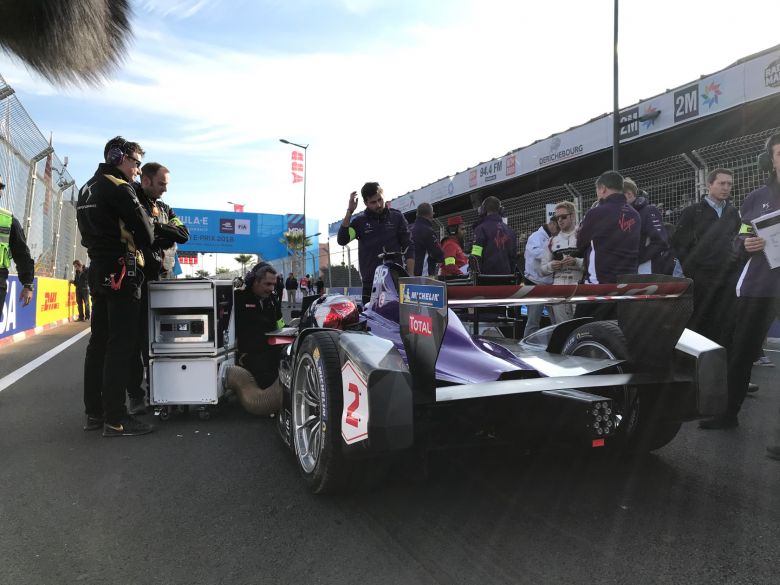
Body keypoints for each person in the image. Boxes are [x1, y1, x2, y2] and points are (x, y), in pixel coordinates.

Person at [699, 136, 780, 432]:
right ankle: (726, 414)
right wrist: (747, 243)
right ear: (770, 160)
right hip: (759, 287)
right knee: (742, 353)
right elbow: (739, 238)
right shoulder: (755, 199)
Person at [77, 136, 155, 437]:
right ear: (117, 157)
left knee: (98, 343)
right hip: (123, 271)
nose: (137, 170)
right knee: (120, 345)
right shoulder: (119, 187)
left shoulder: (87, 187)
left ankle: (94, 414)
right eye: (135, 163)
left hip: (98, 268)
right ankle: (116, 418)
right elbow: (147, 234)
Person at [126, 162, 190, 415]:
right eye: (161, 184)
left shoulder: (165, 207)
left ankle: (159, 390)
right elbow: (141, 235)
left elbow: (183, 234)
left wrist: (158, 228)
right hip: (140, 279)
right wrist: (159, 232)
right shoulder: (132, 201)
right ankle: (136, 395)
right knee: (136, 341)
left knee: (163, 338)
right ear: (146, 180)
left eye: (167, 184)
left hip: (165, 281)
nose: (165, 189)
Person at [671, 168, 741, 347]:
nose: (726, 188)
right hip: (701, 278)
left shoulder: (732, 213)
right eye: (721, 183)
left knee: (726, 321)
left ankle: (722, 362)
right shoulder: (693, 212)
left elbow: (740, 238)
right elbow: (678, 245)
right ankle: (696, 362)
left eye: (729, 184)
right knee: (700, 321)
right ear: (710, 185)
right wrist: (692, 271)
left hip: (727, 277)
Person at [574, 171, 640, 320]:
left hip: (598, 287)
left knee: (579, 331)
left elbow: (580, 244)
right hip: (626, 286)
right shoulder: (635, 214)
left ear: (603, 188)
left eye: (597, 190)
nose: (597, 193)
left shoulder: (596, 213)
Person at [337, 182, 412, 304]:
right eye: (373, 202)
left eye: (380, 200)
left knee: (398, 320)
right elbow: (342, 240)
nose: (378, 205)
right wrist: (349, 211)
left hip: (395, 280)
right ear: (366, 203)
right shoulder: (359, 222)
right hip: (370, 283)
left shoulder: (397, 217)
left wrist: (410, 275)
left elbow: (409, 245)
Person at [234, 263, 285, 390]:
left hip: (273, 348)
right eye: (267, 284)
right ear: (255, 281)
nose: (271, 288)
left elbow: (280, 324)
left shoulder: (273, 300)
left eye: (273, 284)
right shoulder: (239, 299)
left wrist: (290, 332)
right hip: (249, 353)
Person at [540, 201, 583, 323]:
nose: (560, 220)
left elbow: (593, 265)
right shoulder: (551, 241)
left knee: (579, 324)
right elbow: (542, 269)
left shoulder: (583, 237)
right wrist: (551, 266)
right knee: (562, 326)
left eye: (563, 217)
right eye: (557, 217)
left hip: (578, 285)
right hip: (558, 286)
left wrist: (577, 262)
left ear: (573, 216)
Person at [623, 178, 675, 275]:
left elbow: (661, 241)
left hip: (646, 270)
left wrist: (637, 258)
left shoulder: (648, 210)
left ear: (629, 194)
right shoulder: (623, 215)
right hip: (629, 270)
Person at [0, 175, 34, 319]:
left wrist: (27, 284)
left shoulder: (8, 220)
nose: (1, 192)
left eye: (1, 188)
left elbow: (22, 254)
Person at [522, 213, 559, 336]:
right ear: (552, 224)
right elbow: (535, 253)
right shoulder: (536, 236)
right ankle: (525, 349)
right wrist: (554, 253)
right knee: (533, 321)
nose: (558, 231)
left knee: (556, 321)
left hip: (549, 284)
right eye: (557, 227)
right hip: (535, 284)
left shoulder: (553, 237)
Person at [471, 196, 518, 275]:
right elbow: (513, 258)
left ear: (483, 210)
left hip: (486, 278)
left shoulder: (480, 229)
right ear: (501, 211)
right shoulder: (511, 231)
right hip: (507, 277)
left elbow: (476, 256)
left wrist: (475, 274)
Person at [410, 202, 444, 276]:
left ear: (417, 214)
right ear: (430, 214)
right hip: (423, 275)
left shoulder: (410, 230)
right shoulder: (427, 231)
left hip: (409, 273)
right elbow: (438, 254)